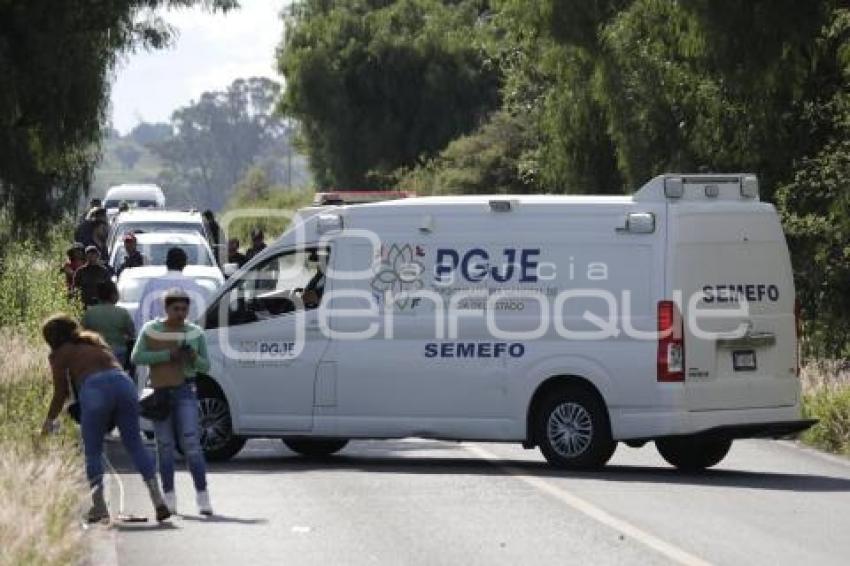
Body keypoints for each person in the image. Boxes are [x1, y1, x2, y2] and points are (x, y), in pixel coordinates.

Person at [40, 314, 170, 523]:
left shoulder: (58, 355)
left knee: (93, 450)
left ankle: (99, 507)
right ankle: (158, 500)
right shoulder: (94, 341)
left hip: (94, 388)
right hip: (123, 384)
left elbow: (61, 393)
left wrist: (48, 423)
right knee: (135, 444)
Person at [131, 289, 213, 516]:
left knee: (192, 443)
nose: (180, 313)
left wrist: (193, 357)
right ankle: (169, 497)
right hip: (161, 391)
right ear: (166, 309)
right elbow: (137, 357)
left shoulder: (195, 333)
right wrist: (168, 355)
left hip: (186, 389)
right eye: (175, 309)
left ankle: (202, 496)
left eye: (184, 309)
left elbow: (206, 367)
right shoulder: (152, 330)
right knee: (164, 446)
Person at [134, 247, 211, 330]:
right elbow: (200, 316)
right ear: (184, 264)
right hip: (185, 338)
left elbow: (141, 317)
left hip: (157, 338)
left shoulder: (152, 284)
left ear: (166, 263)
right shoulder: (194, 286)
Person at [82, 281, 135, 370]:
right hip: (118, 352)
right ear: (113, 295)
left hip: (96, 351)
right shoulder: (122, 312)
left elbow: (82, 333)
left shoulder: (90, 313)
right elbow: (131, 333)